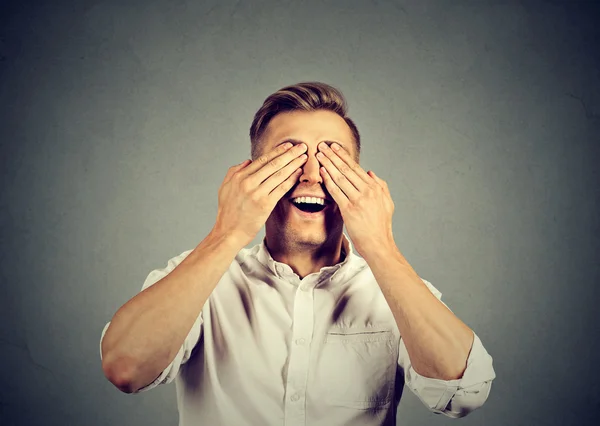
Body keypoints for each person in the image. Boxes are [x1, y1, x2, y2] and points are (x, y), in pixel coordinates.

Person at [99, 82, 496, 425]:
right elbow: (125, 368)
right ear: (252, 174)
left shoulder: (395, 290)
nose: (311, 175)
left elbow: (464, 393)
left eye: (332, 160)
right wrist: (228, 232)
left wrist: (379, 244)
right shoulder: (202, 280)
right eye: (288, 158)